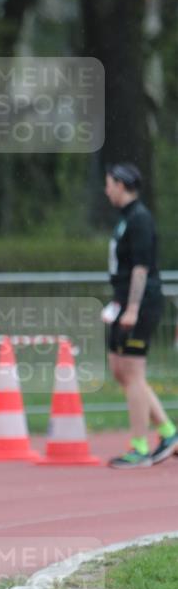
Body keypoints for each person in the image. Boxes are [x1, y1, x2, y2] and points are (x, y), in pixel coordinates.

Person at [104, 162, 177, 468]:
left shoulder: (140, 219)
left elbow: (141, 267)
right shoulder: (125, 219)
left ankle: (139, 448)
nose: (106, 189)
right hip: (123, 302)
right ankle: (169, 432)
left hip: (142, 303)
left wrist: (133, 307)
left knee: (133, 373)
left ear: (121, 185)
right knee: (120, 369)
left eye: (109, 183)